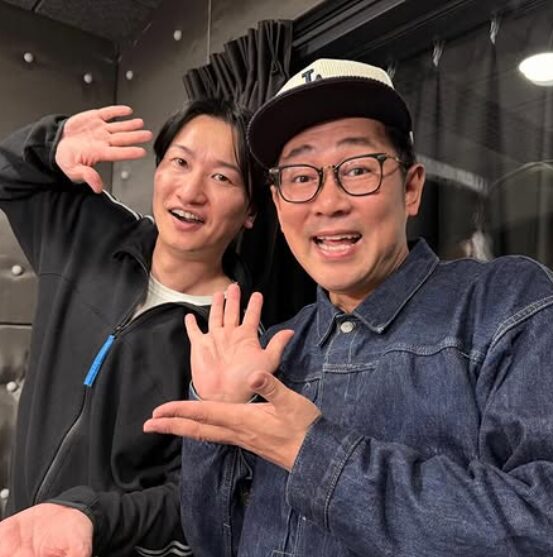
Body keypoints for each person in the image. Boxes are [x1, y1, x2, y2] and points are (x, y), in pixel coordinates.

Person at [144, 58, 553, 556]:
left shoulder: (505, 304)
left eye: (358, 169)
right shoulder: (276, 349)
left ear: (411, 188)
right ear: (277, 203)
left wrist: (315, 455)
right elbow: (215, 543)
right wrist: (219, 426)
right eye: (300, 177)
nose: (328, 202)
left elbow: (541, 521)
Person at [0, 97, 259, 556]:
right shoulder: (89, 229)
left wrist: (92, 519)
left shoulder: (238, 340)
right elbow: (7, 178)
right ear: (159, 170)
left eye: (222, 177)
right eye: (180, 162)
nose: (191, 191)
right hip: (16, 537)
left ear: (251, 210)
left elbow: (199, 498)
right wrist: (50, 145)